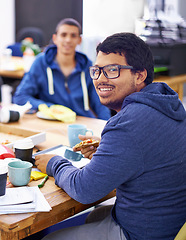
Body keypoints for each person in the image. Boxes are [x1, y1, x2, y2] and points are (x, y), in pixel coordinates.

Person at [35, 32, 186, 240]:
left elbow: (84, 189)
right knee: (95, 216)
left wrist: (53, 163)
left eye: (112, 70)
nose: (100, 79)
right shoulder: (168, 103)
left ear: (140, 75)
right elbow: (145, 152)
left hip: (142, 233)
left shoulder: (128, 123)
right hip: (170, 224)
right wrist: (111, 148)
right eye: (96, 71)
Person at [13, 18, 111, 120]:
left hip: (81, 121)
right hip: (52, 121)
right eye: (63, 35)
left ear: (79, 40)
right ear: (55, 38)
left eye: (73, 36)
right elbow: (20, 97)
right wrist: (51, 108)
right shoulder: (41, 62)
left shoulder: (87, 66)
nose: (68, 40)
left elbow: (100, 103)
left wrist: (106, 125)